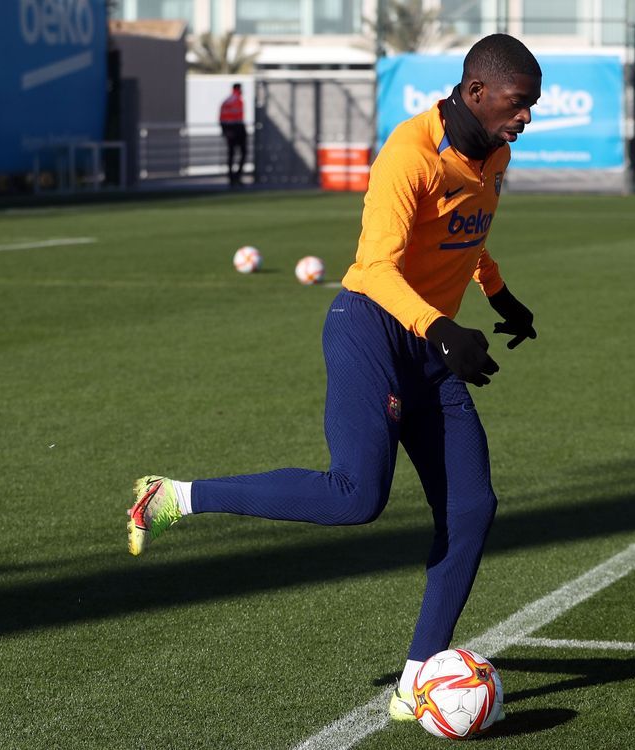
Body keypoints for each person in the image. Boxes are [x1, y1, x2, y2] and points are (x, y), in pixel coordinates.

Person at [126, 34, 541, 721]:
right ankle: (175, 496)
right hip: (371, 329)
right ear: (476, 94)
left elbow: (466, 232)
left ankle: (416, 682)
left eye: (530, 105)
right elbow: (375, 268)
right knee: (356, 497)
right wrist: (442, 329)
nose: (527, 117)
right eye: (518, 103)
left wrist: (499, 296)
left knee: (472, 508)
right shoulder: (409, 154)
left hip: (427, 349)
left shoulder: (493, 154)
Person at [219, 83, 247, 186]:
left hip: (234, 128)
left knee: (234, 154)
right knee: (237, 154)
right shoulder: (234, 100)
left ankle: (234, 177)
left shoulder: (233, 100)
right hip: (235, 129)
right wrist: (227, 130)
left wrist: (225, 130)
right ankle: (234, 177)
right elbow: (225, 117)